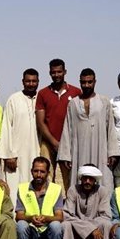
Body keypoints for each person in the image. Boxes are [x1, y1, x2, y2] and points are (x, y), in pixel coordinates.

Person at [58, 68, 120, 190]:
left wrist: (112, 152)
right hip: (78, 151)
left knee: (103, 181)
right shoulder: (73, 104)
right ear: (80, 82)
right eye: (84, 82)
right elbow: (67, 129)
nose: (86, 85)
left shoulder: (104, 101)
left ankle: (103, 208)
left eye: (89, 82)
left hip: (100, 150)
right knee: (79, 180)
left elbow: (111, 128)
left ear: (94, 82)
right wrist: (66, 155)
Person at [36, 58, 81, 192]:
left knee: (68, 175)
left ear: (64, 72)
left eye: (59, 72)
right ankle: (46, 203)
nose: (56, 75)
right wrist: (54, 142)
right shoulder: (43, 93)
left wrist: (65, 143)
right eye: (53, 72)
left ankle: (67, 207)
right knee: (45, 174)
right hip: (48, 142)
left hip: (69, 142)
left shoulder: (76, 92)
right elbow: (40, 122)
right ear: (50, 73)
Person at [59, 164, 113, 239]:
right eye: (85, 178)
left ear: (95, 180)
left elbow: (106, 215)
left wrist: (92, 227)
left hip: (96, 226)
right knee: (65, 225)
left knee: (107, 224)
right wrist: (89, 229)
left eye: (90, 178)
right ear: (81, 178)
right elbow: (67, 214)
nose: (87, 181)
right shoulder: (73, 190)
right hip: (77, 226)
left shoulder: (102, 191)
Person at [15, 157, 63, 239]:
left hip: (47, 232)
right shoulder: (23, 188)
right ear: (31, 171)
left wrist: (46, 218)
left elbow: (59, 216)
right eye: (36, 171)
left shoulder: (55, 189)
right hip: (31, 231)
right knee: (20, 225)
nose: (39, 175)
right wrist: (31, 218)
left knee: (56, 226)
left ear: (48, 173)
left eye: (42, 172)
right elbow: (19, 214)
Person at [0, 68, 41, 201]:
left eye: (34, 81)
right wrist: (9, 154)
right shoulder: (14, 99)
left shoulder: (41, 98)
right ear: (23, 82)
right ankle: (14, 217)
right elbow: (6, 127)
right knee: (15, 185)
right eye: (28, 81)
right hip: (16, 154)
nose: (31, 84)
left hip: (36, 150)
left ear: (38, 82)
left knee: (35, 184)